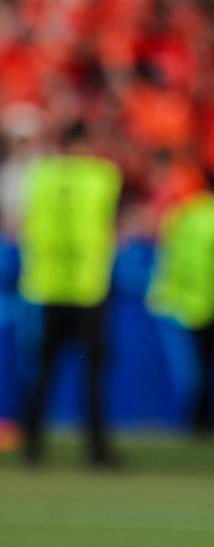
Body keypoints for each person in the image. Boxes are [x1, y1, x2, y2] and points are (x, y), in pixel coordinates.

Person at [19, 121, 122, 466]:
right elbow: (112, 223)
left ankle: (32, 445)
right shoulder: (102, 177)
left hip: (47, 285)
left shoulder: (42, 177)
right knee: (92, 373)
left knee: (44, 370)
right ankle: (97, 449)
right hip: (87, 287)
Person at [146, 172, 214, 436]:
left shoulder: (181, 216)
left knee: (198, 367)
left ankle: (197, 420)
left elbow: (169, 258)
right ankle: (207, 422)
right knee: (209, 367)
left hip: (187, 302)